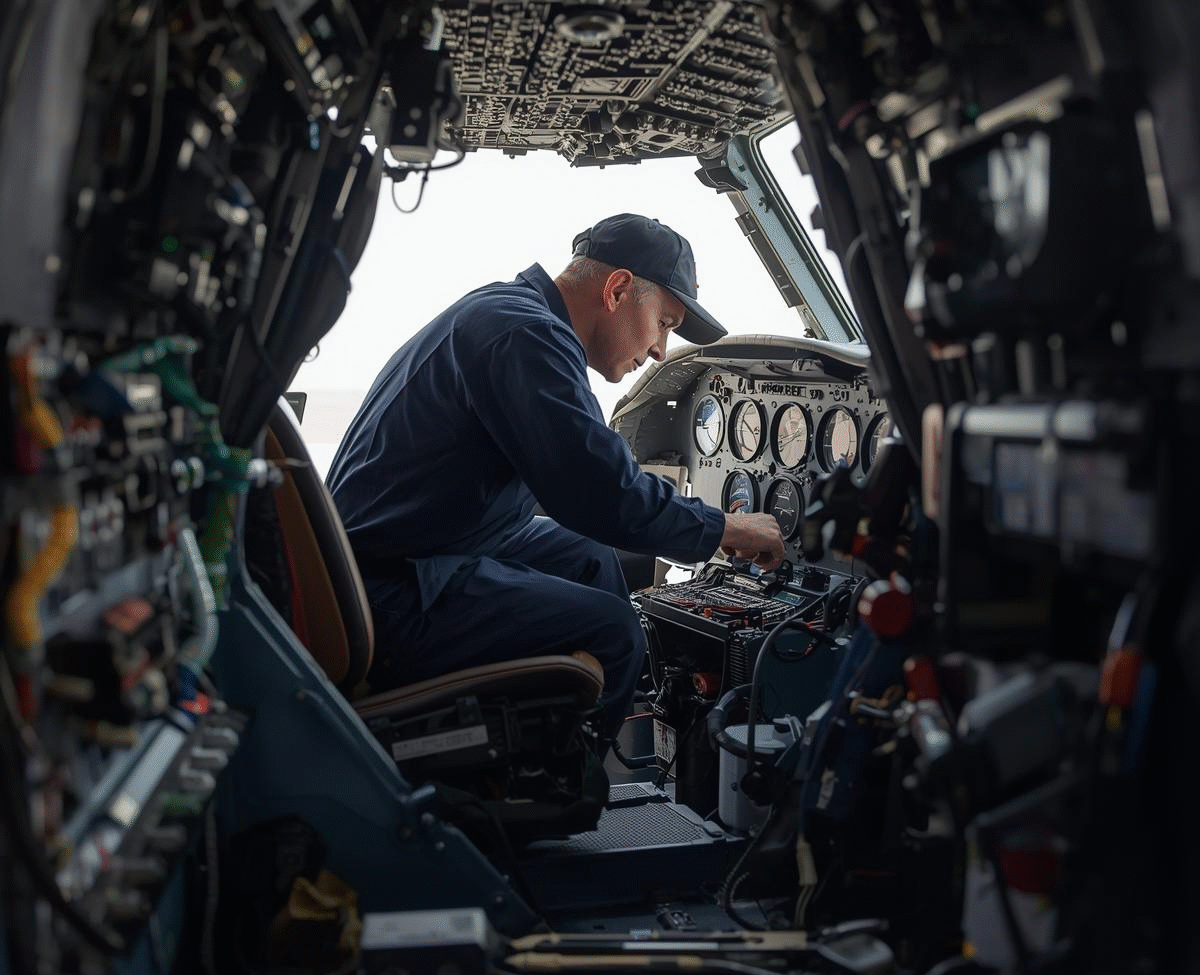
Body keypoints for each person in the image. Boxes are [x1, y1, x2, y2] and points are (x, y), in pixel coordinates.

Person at [326, 213, 785, 737]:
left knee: (586, 556)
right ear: (616, 289)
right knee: (614, 634)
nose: (661, 349)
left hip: (404, 551)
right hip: (384, 592)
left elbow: (589, 484)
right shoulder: (525, 334)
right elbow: (602, 493)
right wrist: (727, 529)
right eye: (665, 324)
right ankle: (553, 801)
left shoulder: (508, 310)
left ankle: (610, 724)